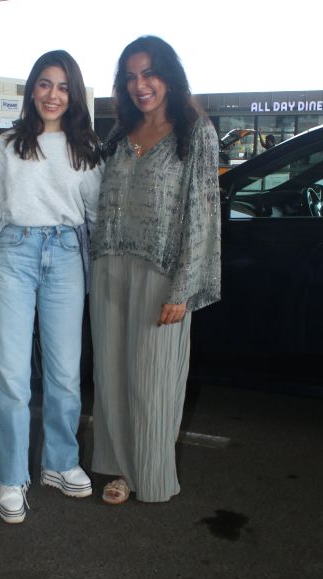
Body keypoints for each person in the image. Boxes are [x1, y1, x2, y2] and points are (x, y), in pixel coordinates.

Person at [0, 50, 103, 524]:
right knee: (11, 374)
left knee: (65, 372)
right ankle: (10, 476)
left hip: (66, 256)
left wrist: (101, 275)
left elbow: (97, 217)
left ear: (74, 94)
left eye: (63, 87)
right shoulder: (6, 146)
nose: (53, 95)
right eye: (45, 84)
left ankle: (60, 463)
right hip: (15, 255)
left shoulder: (86, 148)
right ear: (31, 89)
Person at [89, 35, 221, 505]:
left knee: (152, 381)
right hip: (109, 265)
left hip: (161, 272)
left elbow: (203, 212)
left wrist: (183, 288)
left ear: (168, 75)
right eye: (131, 77)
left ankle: (150, 473)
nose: (140, 84)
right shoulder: (118, 134)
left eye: (149, 73)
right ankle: (119, 469)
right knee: (111, 377)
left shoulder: (195, 131)